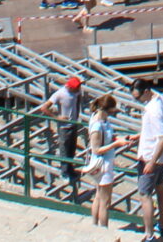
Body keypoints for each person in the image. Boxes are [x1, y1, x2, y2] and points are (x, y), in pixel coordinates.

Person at [134, 77, 163, 239]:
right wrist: (140, 135)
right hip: (160, 157)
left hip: (150, 157)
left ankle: (149, 235)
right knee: (160, 188)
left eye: (137, 97)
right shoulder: (160, 100)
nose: (136, 100)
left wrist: (151, 162)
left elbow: (162, 138)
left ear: (146, 92)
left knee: (145, 195)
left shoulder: (154, 109)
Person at [85, 92, 124, 227]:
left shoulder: (101, 120)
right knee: (105, 202)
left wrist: (117, 140)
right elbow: (96, 149)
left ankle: (95, 225)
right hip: (103, 165)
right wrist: (116, 144)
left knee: (98, 196)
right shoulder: (97, 125)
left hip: (104, 162)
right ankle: (103, 229)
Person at [45, 75, 85, 199]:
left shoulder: (76, 92)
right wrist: (57, 117)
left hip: (73, 124)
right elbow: (44, 107)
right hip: (64, 127)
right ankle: (64, 173)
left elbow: (76, 102)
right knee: (64, 149)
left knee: (71, 149)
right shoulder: (60, 94)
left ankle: (70, 170)